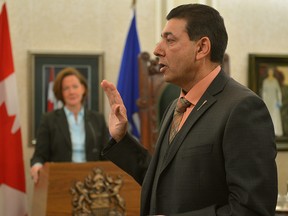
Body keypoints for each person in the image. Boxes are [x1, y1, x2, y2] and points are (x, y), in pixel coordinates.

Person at [100, 4, 278, 216]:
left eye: (170, 40)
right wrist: (121, 138)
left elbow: (251, 209)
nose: (157, 49)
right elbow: (163, 179)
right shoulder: (175, 107)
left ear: (202, 48)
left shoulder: (243, 109)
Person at [30, 67, 109, 184]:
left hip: (92, 181)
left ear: (83, 88)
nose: (71, 92)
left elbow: (106, 154)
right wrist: (36, 166)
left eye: (75, 86)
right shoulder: (49, 120)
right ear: (60, 93)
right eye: (66, 88)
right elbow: (39, 156)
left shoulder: (97, 119)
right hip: (61, 181)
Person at [262, 67, 283, 136]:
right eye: (269, 71)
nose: (270, 73)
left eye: (272, 71)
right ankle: (267, 131)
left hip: (274, 101)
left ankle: (276, 131)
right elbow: (264, 92)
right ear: (268, 72)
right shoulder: (265, 81)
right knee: (268, 115)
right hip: (267, 101)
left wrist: (279, 101)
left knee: (275, 115)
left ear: (273, 72)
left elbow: (278, 92)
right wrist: (263, 101)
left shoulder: (275, 81)